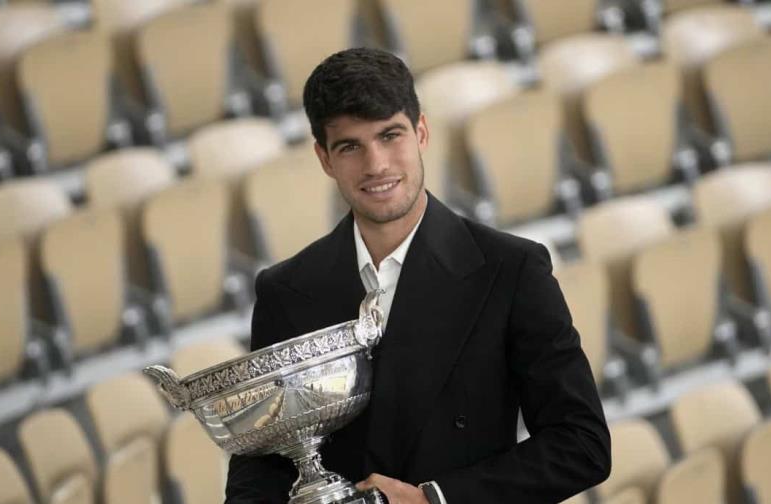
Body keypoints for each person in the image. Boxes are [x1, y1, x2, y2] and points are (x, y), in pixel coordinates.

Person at [225, 47, 610, 504]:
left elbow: (582, 444)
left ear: (421, 131)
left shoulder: (512, 269)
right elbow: (261, 467)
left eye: (391, 136)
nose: (377, 165)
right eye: (350, 146)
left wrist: (436, 499)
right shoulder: (284, 291)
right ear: (324, 158)